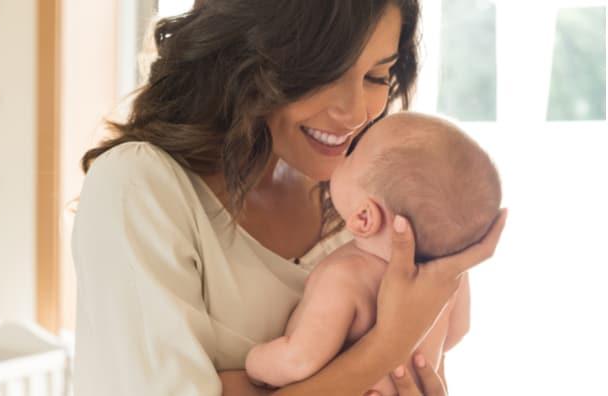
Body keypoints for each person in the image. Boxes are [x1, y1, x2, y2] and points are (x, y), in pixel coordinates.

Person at [72, 1, 508, 395]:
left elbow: (419, 370)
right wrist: (385, 348)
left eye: (377, 76)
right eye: (325, 74)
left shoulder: (368, 209)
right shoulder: (141, 186)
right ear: (245, 54)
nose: (356, 113)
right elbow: (389, 358)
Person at [244, 112, 502, 395]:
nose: (343, 154)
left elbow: (298, 360)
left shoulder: (346, 278)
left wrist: (254, 365)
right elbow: (457, 332)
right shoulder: (446, 285)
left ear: (364, 218)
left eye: (352, 155)